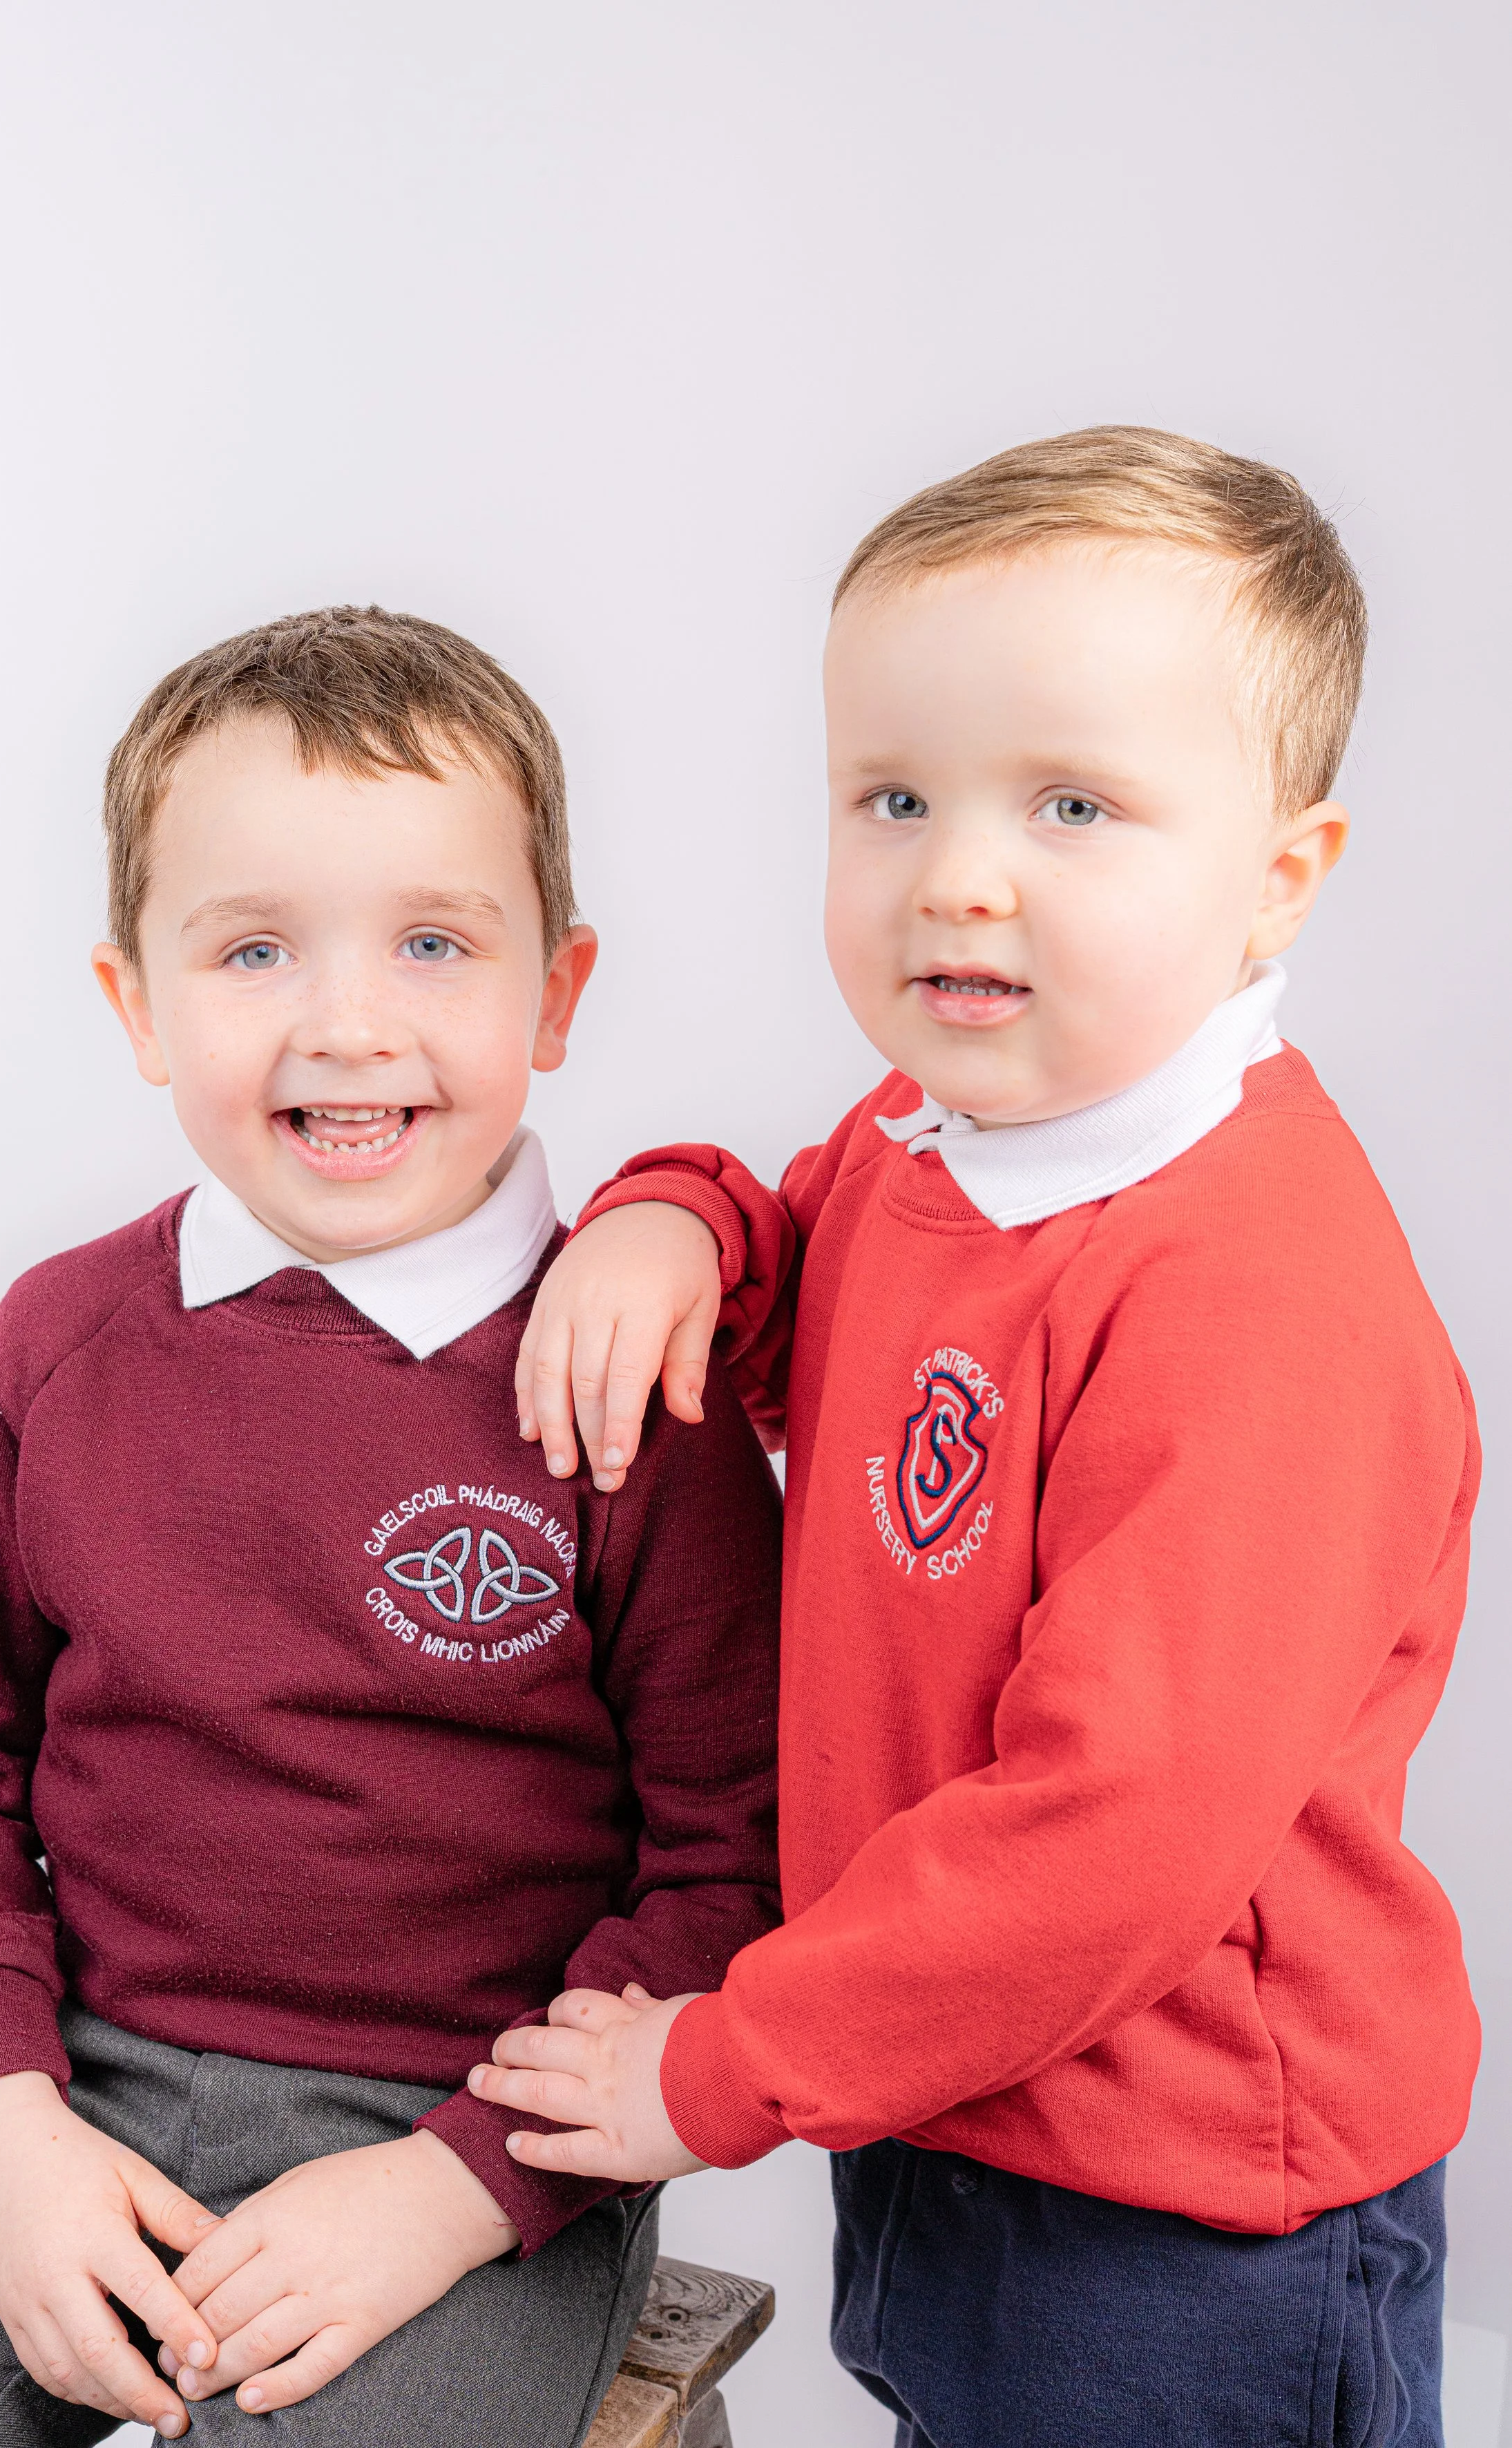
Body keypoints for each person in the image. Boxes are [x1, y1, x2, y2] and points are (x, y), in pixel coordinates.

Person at [472, 429, 1479, 2448]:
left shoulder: (1250, 1292)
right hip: (946, 2082)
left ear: (1279, 875)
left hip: (1183, 2199)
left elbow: (1107, 1840)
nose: (958, 869)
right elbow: (802, 1282)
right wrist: (680, 1214)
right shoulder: (947, 1133)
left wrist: (721, 2066)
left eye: (1076, 804)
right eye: (893, 795)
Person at [0, 606, 783, 2446]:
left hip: (468, 2144)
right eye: (253, 947)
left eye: (430, 939)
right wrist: (4, 2131)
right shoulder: (56, 1345)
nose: (346, 1019)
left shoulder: (631, 1380)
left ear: (556, 991)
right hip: (71, 2078)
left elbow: (733, 1859)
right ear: (136, 1003)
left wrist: (463, 2183)